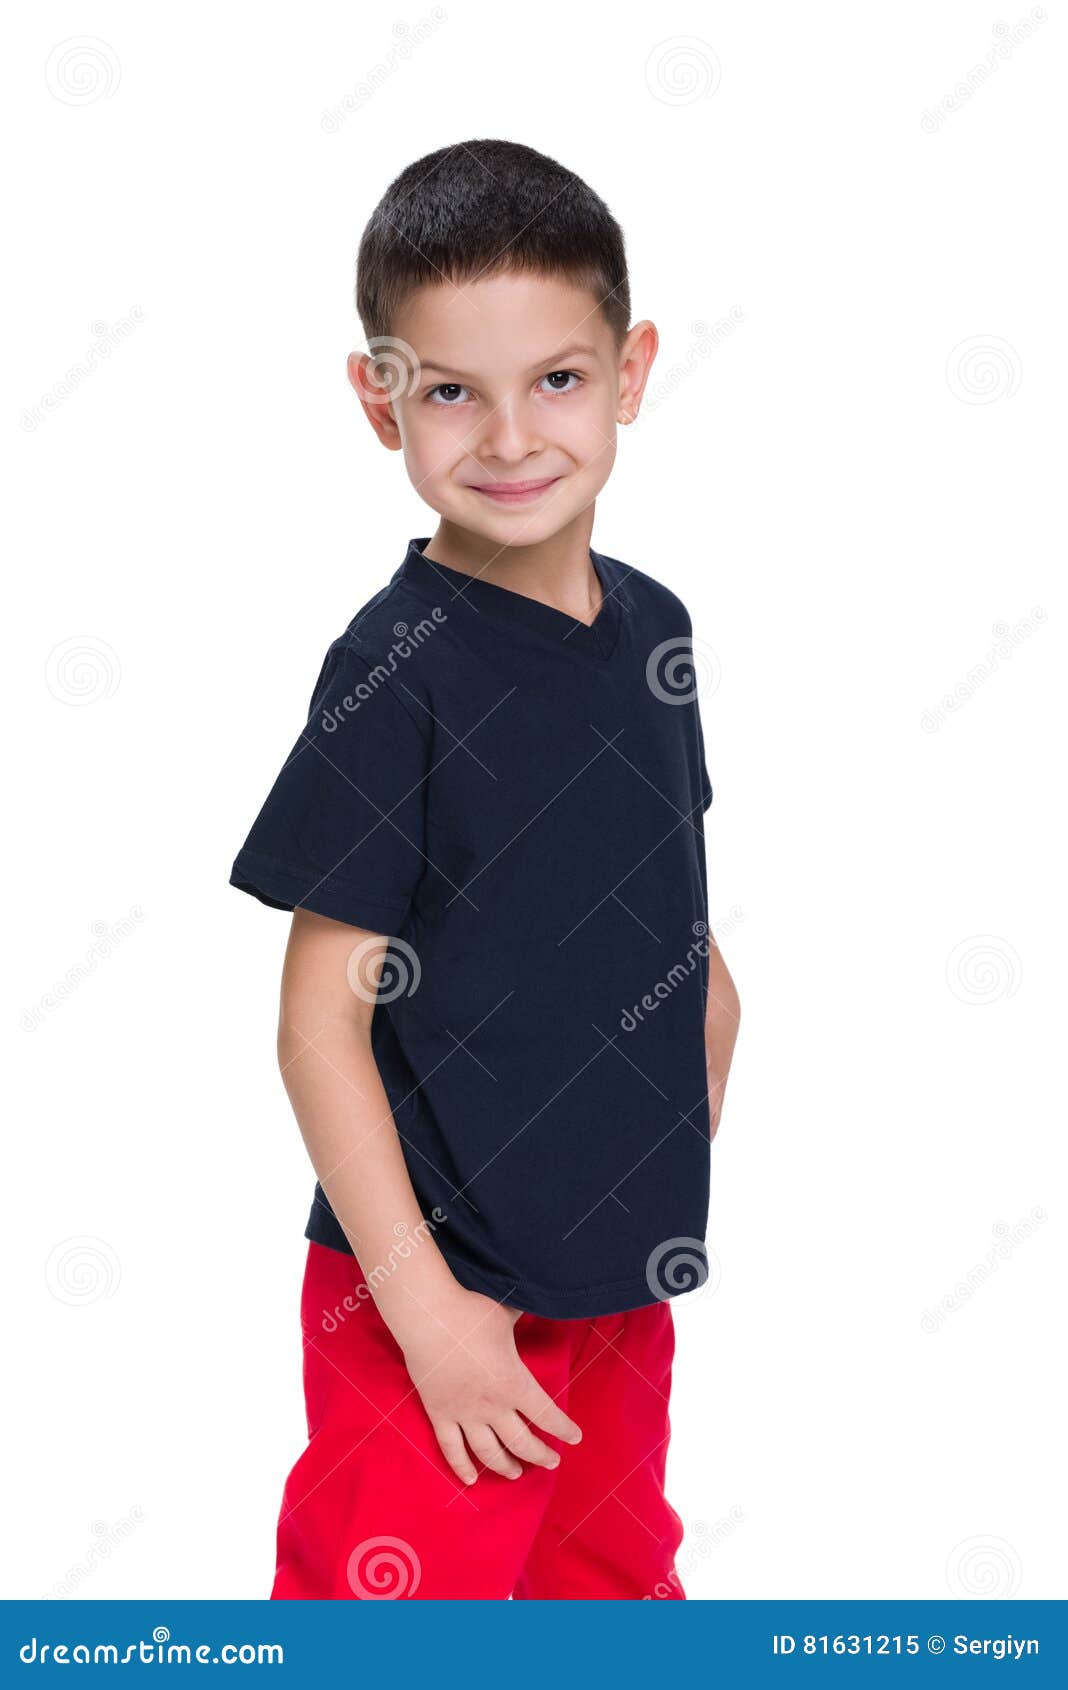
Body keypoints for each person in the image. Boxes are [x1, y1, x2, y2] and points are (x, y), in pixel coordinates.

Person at [229, 137, 740, 1601]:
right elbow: (317, 1022)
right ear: (379, 395)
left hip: (618, 1278)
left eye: (558, 379)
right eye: (451, 390)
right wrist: (429, 1312)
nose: (510, 435)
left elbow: (666, 890)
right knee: (398, 1614)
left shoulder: (656, 627)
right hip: (431, 1295)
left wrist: (700, 1056)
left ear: (631, 370)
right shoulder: (395, 672)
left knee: (612, 1597)